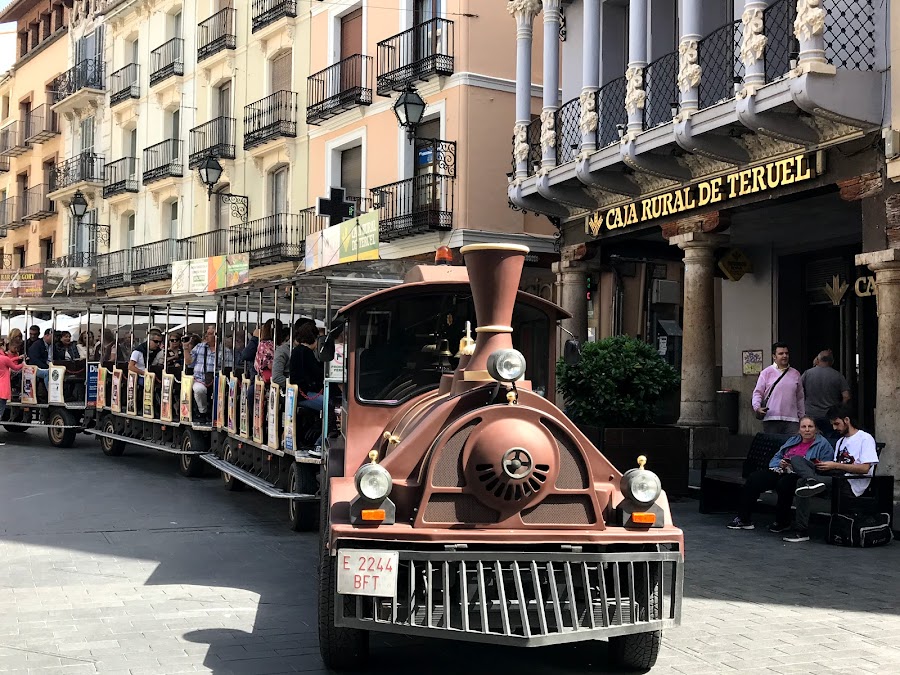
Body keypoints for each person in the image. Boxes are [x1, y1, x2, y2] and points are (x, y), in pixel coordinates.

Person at [783, 404, 879, 543]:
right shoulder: (841, 441)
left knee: (801, 482)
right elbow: (836, 467)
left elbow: (865, 468)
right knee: (797, 460)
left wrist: (835, 465)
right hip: (835, 477)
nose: (834, 428)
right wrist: (825, 466)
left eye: (836, 424)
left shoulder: (865, 438)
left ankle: (801, 530)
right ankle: (812, 480)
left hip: (850, 484)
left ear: (847, 420)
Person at [727, 416, 834, 532]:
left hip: (800, 475)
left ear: (816, 429)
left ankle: (782, 522)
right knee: (754, 478)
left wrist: (800, 465)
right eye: (804, 427)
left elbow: (823, 466)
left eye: (810, 427)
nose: (807, 430)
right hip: (781, 470)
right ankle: (743, 519)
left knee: (784, 484)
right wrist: (781, 463)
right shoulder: (793, 440)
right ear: (799, 429)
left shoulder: (822, 444)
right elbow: (776, 458)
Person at [751, 342, 804, 435]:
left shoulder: (795, 374)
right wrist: (757, 407)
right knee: (773, 447)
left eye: (786, 353)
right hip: (772, 418)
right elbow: (758, 393)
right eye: (781, 353)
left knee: (792, 448)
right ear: (774, 356)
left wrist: (802, 417)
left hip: (792, 420)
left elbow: (800, 398)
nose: (784, 356)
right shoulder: (766, 373)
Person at [290, 321, 325, 456]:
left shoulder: (297, 351)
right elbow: (317, 372)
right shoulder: (306, 352)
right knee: (329, 407)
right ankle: (319, 442)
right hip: (305, 394)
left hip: (299, 393)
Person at [801, 350, 850, 436]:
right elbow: (846, 396)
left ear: (817, 360)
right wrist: (839, 410)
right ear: (832, 362)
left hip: (810, 414)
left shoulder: (807, 374)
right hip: (830, 416)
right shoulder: (838, 376)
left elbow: (797, 391)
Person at [186, 326, 217, 422]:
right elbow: (189, 362)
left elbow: (228, 368)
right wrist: (185, 348)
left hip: (216, 380)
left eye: (210, 334)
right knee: (199, 390)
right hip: (200, 379)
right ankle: (202, 412)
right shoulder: (199, 347)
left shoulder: (224, 350)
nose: (207, 336)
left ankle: (217, 414)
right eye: (206, 334)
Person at [0, 347, 24, 443]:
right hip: (3, 389)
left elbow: (8, 361)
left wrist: (18, 357)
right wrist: (23, 363)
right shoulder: (4, 359)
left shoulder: (4, 359)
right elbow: (15, 367)